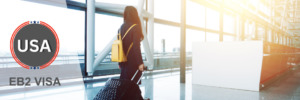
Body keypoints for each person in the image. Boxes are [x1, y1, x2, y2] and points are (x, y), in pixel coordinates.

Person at [118, 6, 147, 100]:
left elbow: (120, 47)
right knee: (133, 85)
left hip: (123, 63)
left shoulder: (121, 27)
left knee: (126, 86)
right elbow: (136, 47)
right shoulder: (135, 27)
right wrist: (140, 63)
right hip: (132, 63)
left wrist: (120, 63)